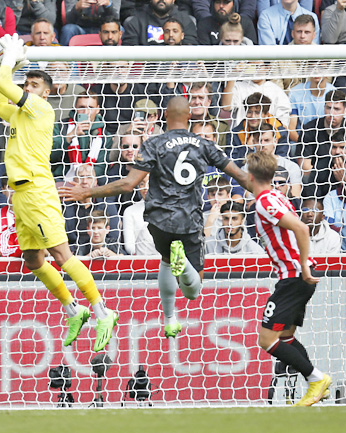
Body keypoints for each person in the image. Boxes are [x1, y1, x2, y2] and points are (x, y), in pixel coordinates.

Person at [60, 96, 250, 338]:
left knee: (166, 260)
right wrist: (264, 192)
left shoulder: (154, 144)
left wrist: (85, 191)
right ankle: (183, 274)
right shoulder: (204, 145)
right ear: (190, 116)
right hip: (190, 221)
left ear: (165, 117)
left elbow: (129, 184)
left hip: (160, 221)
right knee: (193, 290)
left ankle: (169, 318)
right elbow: (241, 177)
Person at [0, 34, 118, 352]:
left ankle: (103, 311)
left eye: (33, 84)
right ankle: (74, 310)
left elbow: (7, 88)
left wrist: (9, 60)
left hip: (37, 189)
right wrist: (4, 64)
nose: (27, 88)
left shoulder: (42, 110)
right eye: (27, 82)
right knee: (33, 259)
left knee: (62, 256)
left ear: (46, 93)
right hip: (21, 195)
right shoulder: (21, 113)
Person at [246, 150, 331, 407]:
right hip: (298, 275)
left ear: (250, 177)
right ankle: (316, 387)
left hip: (294, 276)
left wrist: (303, 265)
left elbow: (302, 228)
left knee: (266, 339)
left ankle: (316, 379)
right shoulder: (275, 195)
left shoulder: (264, 202)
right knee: (286, 336)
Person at [52, 92, 111, 180]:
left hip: (91, 181)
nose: (86, 112)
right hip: (62, 178)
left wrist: (83, 178)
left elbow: (101, 166)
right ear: (75, 107)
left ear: (98, 109)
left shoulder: (105, 135)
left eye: (90, 108)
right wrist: (70, 135)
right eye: (81, 107)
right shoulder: (60, 126)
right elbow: (51, 156)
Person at [122, 0, 198, 45]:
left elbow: (190, 47)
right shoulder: (135, 20)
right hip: (145, 69)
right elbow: (130, 48)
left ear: (173, 0)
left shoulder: (186, 20)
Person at [0, 177, 21, 257]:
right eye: (10, 187)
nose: (13, 191)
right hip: (5, 262)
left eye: (17, 186)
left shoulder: (33, 213)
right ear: (3, 190)